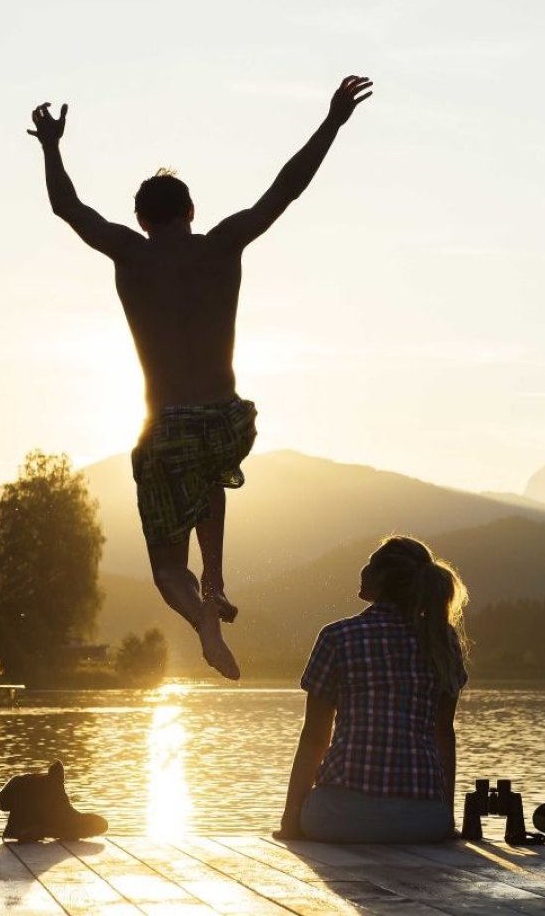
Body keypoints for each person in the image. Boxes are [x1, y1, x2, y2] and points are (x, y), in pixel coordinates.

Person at [28, 76, 374, 681]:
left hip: (165, 425)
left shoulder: (129, 253)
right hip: (226, 418)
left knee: (166, 568)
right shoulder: (222, 245)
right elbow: (284, 190)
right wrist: (332, 122)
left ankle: (202, 617)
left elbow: (66, 208)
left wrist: (51, 146)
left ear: (139, 219)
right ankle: (214, 579)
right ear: (191, 212)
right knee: (210, 468)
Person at [276, 536, 470, 843]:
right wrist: (444, 818)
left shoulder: (338, 636)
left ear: (380, 578)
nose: (362, 570)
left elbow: (314, 737)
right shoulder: (440, 639)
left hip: (340, 819)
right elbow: (443, 735)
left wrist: (291, 820)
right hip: (424, 822)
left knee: (318, 803)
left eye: (370, 564)